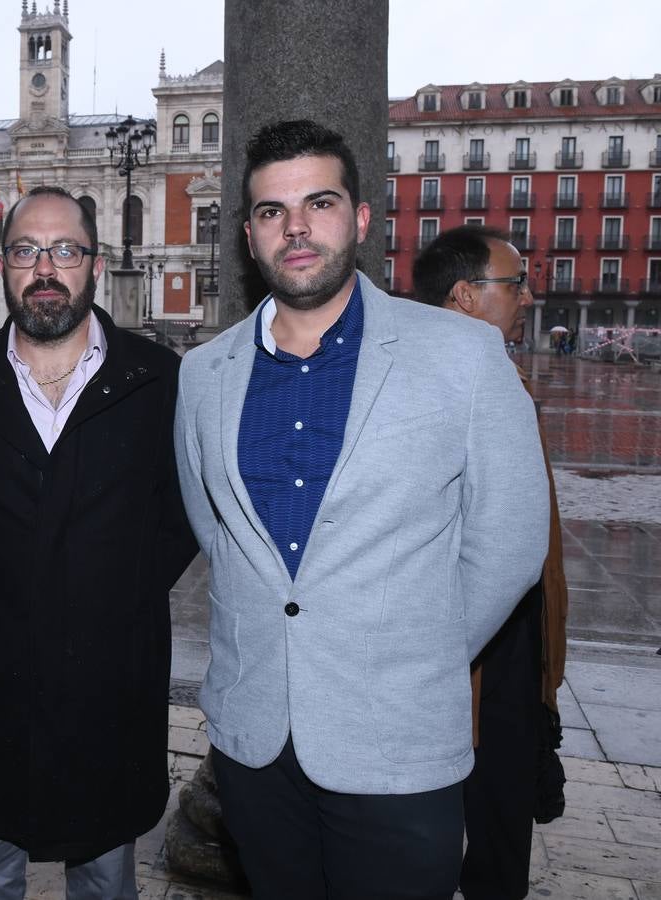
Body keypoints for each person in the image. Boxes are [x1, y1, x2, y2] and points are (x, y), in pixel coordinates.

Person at [173, 120, 550, 900]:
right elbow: (215, 529)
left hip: (398, 741)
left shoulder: (461, 354)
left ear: (361, 218)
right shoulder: (203, 374)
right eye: (272, 212)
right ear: (248, 235)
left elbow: (510, 542)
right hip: (255, 746)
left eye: (319, 202)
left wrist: (418, 655)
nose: (297, 227)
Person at [0, 185, 196, 898]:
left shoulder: (157, 381)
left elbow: (180, 517)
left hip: (111, 677)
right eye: (25, 251)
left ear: (94, 265)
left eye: (64, 250)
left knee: (106, 877)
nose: (45, 267)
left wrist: (114, 592)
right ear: (4, 265)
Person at [412, 225, 569, 900]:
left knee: (499, 816)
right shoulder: (426, 388)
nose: (528, 296)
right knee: (473, 821)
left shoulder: (498, 371)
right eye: (514, 284)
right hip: (471, 640)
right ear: (464, 297)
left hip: (512, 633)